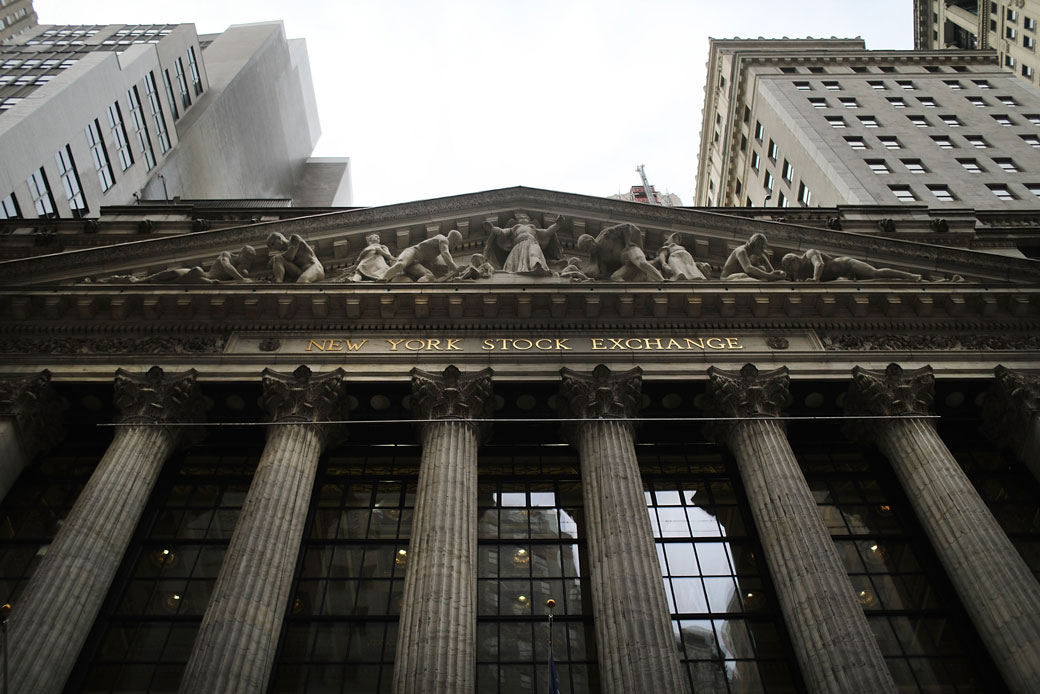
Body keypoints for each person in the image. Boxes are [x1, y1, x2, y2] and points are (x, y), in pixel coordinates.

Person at [95, 245, 257, 284]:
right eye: (247, 257)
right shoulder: (226, 255)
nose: (248, 261)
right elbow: (226, 266)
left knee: (171, 280)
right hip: (201, 275)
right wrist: (241, 279)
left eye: (250, 260)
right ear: (242, 253)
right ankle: (134, 282)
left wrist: (245, 275)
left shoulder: (243, 268)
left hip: (205, 280)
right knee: (167, 275)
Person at [577, 222, 664, 282]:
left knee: (642, 263)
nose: (589, 251)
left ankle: (662, 281)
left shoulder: (605, 235)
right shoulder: (599, 257)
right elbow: (603, 274)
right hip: (627, 264)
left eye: (588, 247)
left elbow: (626, 227)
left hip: (629, 251)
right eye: (586, 250)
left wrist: (627, 243)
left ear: (591, 240)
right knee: (614, 277)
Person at [482, 213, 565, 274]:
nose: (523, 219)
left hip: (532, 243)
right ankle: (518, 270)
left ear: (529, 220)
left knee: (533, 254)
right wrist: (492, 228)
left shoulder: (533, 228)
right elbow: (502, 232)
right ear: (517, 221)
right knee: (514, 261)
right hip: (518, 245)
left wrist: (557, 225)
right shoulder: (515, 228)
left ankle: (536, 267)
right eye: (521, 218)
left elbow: (547, 232)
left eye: (525, 217)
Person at [781, 249, 923, 282]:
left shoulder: (810, 254)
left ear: (794, 260)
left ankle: (912, 276)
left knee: (876, 274)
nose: (790, 271)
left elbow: (819, 264)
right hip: (841, 278)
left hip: (846, 265)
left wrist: (815, 279)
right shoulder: (800, 273)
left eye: (789, 267)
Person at [382, 229, 463, 282]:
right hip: (412, 253)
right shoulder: (443, 239)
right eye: (456, 243)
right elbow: (445, 253)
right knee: (400, 264)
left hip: (415, 263)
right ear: (453, 239)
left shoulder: (436, 252)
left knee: (429, 276)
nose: (454, 245)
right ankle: (382, 280)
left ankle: (417, 291)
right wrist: (454, 266)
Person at [720, 233, 785, 281]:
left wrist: (780, 274)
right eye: (761, 248)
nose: (762, 251)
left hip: (748, 277)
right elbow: (748, 269)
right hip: (728, 279)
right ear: (756, 245)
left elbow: (772, 271)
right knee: (744, 276)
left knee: (761, 270)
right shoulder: (741, 251)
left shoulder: (761, 253)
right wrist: (769, 276)